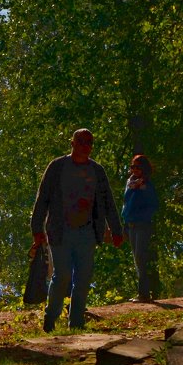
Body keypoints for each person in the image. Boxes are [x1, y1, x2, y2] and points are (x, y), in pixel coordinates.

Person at [31, 128, 124, 332]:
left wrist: (116, 230)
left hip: (87, 232)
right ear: (72, 143)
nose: (85, 146)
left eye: (89, 142)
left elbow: (108, 201)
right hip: (60, 230)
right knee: (62, 275)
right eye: (81, 141)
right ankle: (51, 317)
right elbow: (43, 198)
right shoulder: (57, 167)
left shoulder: (97, 171)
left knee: (83, 277)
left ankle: (76, 323)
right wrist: (36, 229)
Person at [121, 154, 160, 302]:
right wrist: (125, 220)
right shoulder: (129, 183)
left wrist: (144, 216)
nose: (134, 170)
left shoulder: (147, 185)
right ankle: (142, 293)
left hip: (143, 224)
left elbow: (153, 204)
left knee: (140, 256)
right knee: (136, 258)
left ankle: (144, 293)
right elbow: (126, 202)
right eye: (132, 167)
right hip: (130, 224)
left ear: (143, 168)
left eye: (137, 167)